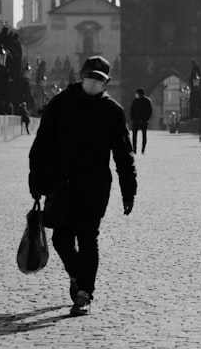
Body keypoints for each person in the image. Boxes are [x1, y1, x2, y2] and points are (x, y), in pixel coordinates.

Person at [28, 55, 136, 317]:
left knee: (88, 238)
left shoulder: (112, 111)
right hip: (62, 183)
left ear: (106, 82)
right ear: (82, 75)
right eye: (90, 77)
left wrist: (128, 188)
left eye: (99, 79)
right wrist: (37, 181)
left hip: (95, 185)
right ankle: (78, 275)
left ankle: (85, 293)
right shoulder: (60, 104)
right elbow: (41, 146)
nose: (93, 82)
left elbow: (123, 154)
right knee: (61, 240)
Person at [129, 88, 153, 154]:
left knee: (144, 136)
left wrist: (146, 119)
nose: (137, 95)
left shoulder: (147, 101)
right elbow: (131, 110)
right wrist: (132, 119)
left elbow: (150, 111)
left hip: (143, 121)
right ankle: (134, 149)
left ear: (141, 94)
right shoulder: (135, 100)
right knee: (134, 136)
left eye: (138, 94)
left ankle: (143, 149)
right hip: (136, 120)